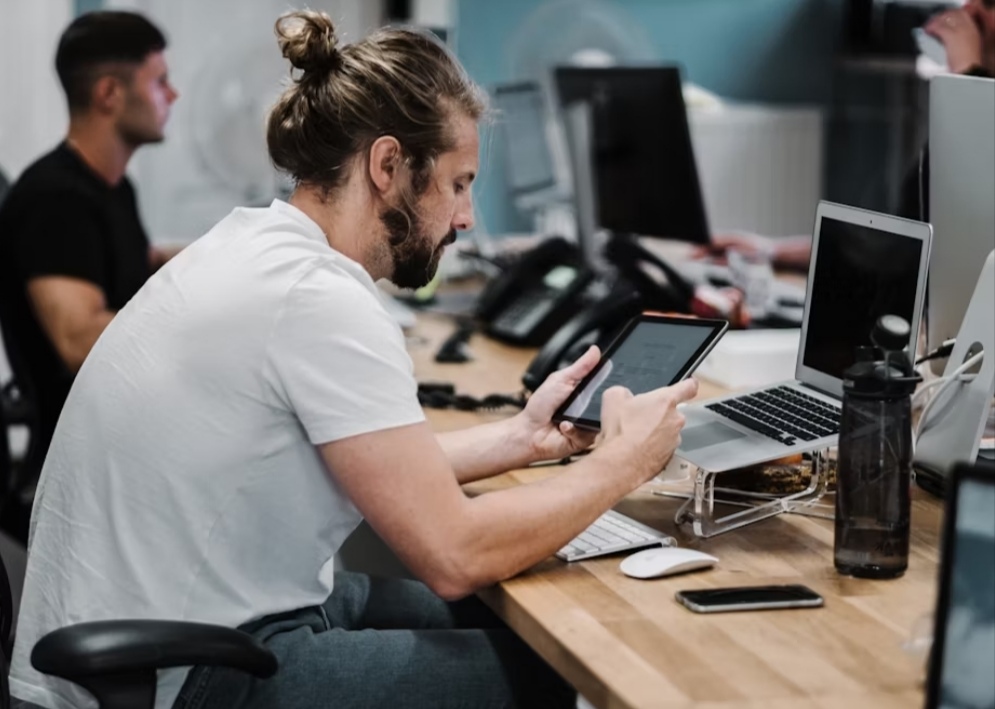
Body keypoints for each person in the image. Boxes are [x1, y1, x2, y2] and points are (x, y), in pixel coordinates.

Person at [9, 10, 697, 709]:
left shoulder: (258, 242)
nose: (465, 217)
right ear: (388, 164)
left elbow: (371, 464)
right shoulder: (317, 298)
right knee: (560, 673)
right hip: (181, 668)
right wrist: (622, 464)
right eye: (458, 183)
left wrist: (521, 437)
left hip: (181, 620)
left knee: (514, 621)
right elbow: (454, 553)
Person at [0, 10, 180, 538]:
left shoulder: (112, 189)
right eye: (160, 81)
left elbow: (130, 267)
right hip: (87, 462)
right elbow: (80, 339)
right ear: (109, 94)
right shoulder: (56, 200)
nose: (174, 95)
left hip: (126, 434)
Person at [696, 0, 994, 270]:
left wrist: (966, 74)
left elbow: (972, 232)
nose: (969, 12)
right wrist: (773, 251)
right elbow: (895, 247)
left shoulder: (973, 120)